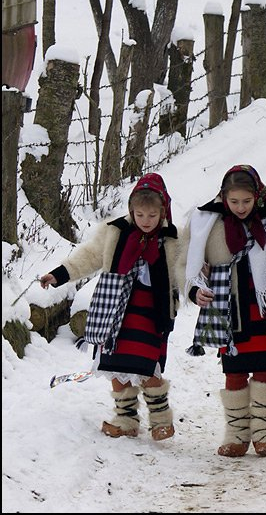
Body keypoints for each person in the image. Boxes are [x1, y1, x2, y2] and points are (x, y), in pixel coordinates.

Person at [39, 173, 180, 441]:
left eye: (152, 216)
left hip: (152, 312)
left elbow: (186, 270)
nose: (146, 222)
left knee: (147, 365)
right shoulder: (117, 231)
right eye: (140, 215)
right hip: (115, 310)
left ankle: (161, 420)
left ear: (162, 212)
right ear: (131, 210)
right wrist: (59, 275)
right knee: (115, 362)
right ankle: (126, 419)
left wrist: (198, 288)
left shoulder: (171, 239)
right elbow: (90, 256)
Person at [182, 165, 266, 457]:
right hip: (228, 308)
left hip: (263, 307)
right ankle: (236, 433)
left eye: (246, 202)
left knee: (264, 366)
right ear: (223, 198)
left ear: (257, 196)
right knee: (234, 371)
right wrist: (195, 287)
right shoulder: (207, 223)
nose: (240, 207)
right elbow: (185, 261)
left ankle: (264, 433)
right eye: (233, 202)